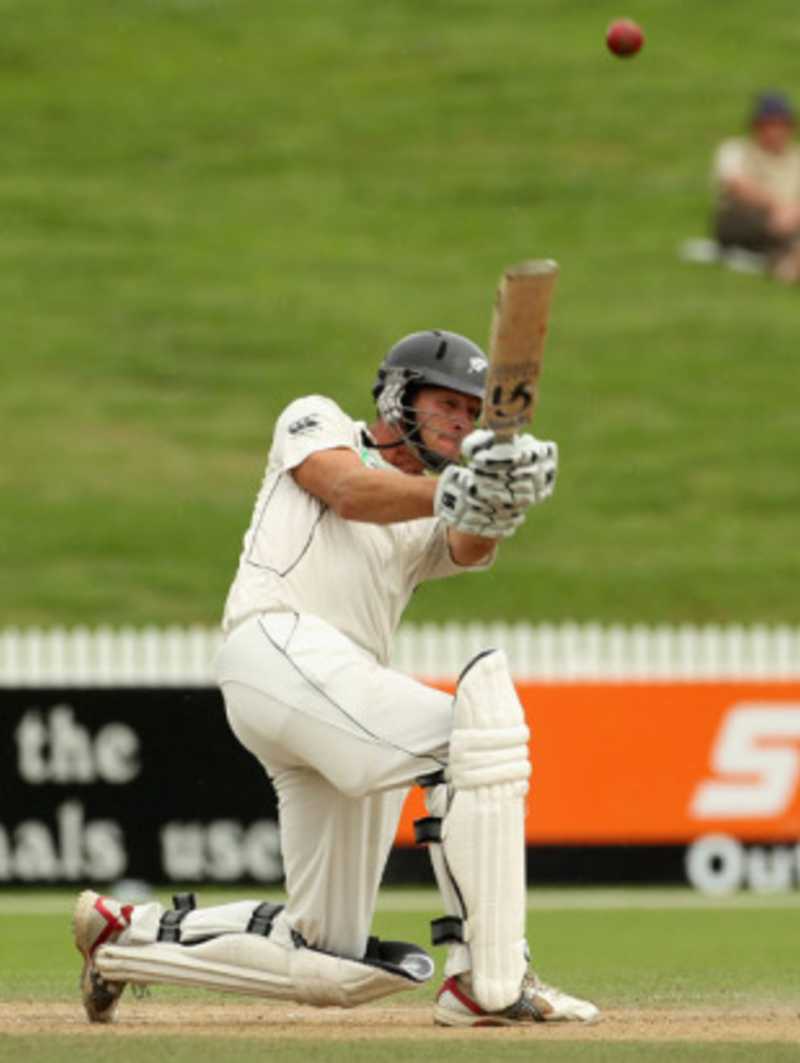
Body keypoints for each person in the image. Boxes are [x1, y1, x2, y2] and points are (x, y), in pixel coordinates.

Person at [73, 330, 599, 1028]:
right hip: (274, 648)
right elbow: (348, 491)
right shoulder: (318, 421)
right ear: (397, 396)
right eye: (448, 404)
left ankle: (123, 938)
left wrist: (499, 500)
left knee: (328, 954)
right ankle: (489, 976)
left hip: (336, 700)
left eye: (475, 415)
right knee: (478, 739)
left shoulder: (422, 511)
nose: (462, 423)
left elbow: (471, 542)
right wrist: (456, 487)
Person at [712, 91, 800, 282]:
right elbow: (737, 185)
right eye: (770, 125)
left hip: (791, 220)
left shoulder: (796, 158)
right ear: (756, 127)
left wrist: (793, 212)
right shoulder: (734, 150)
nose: (776, 131)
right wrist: (776, 207)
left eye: (781, 125)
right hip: (745, 218)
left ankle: (788, 261)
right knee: (761, 221)